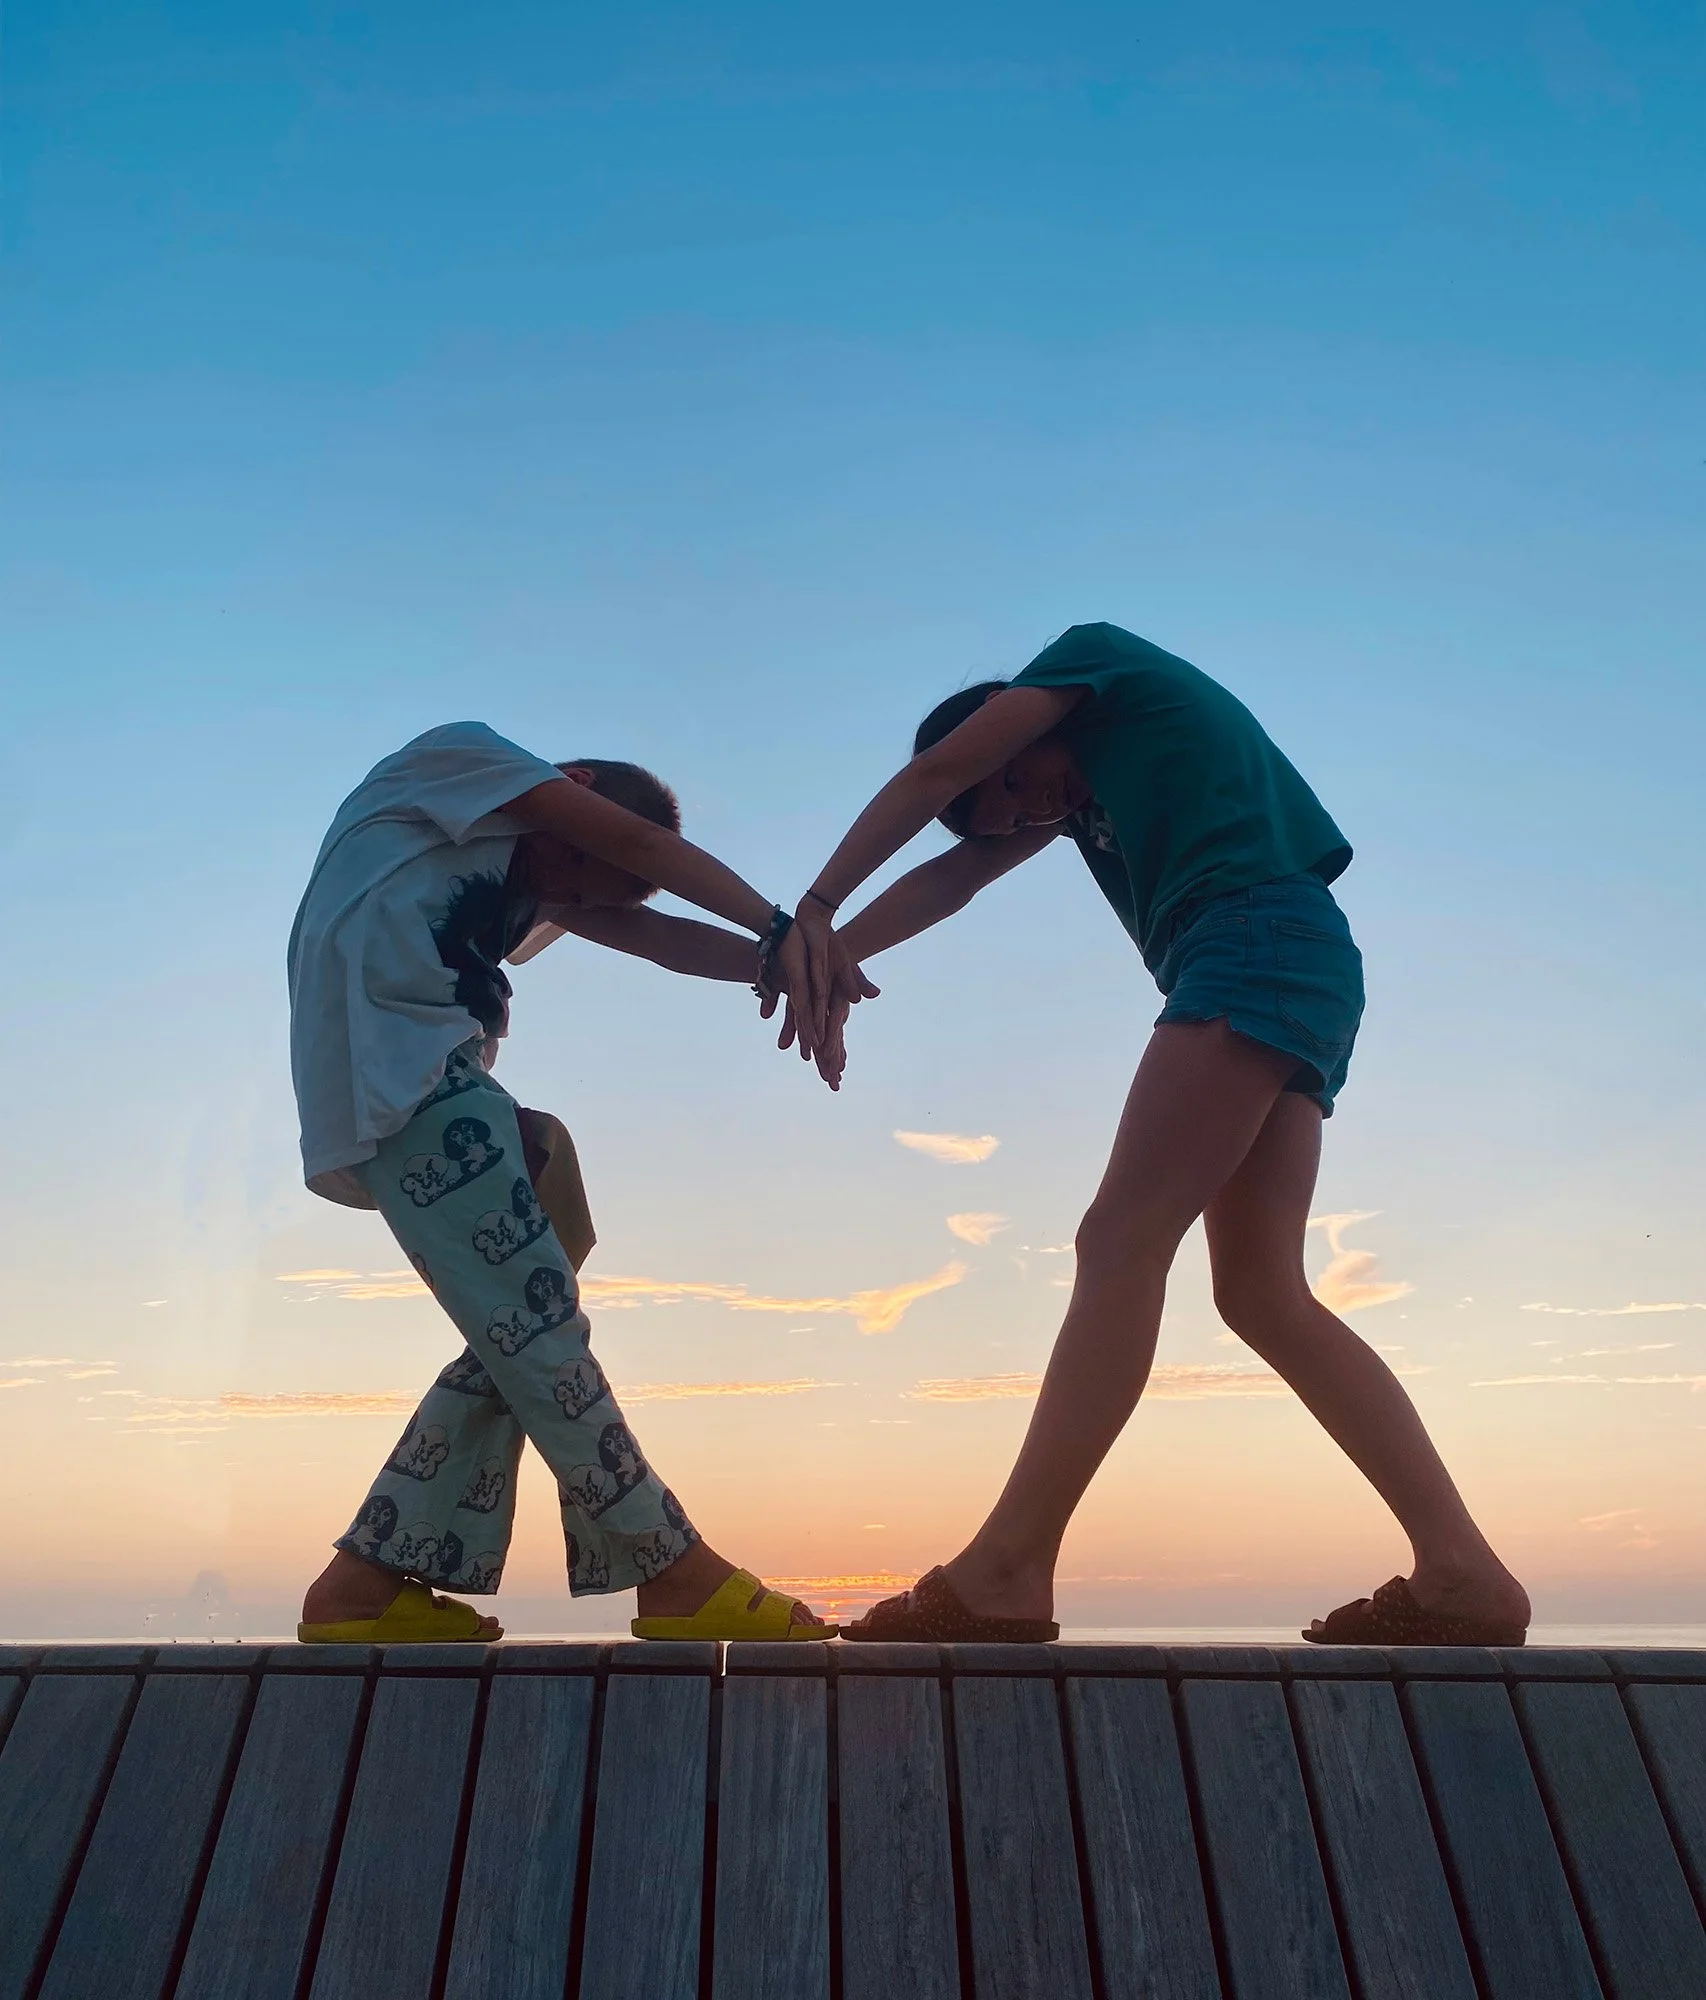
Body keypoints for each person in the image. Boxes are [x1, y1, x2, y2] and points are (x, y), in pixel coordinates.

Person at [790, 622, 1530, 1647]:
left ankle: (1006, 1562)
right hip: (1286, 957)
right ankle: (1461, 1572)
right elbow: (954, 874)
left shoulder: (1093, 662)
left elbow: (941, 770)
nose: (1011, 812)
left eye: (1006, 785)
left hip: (1250, 941)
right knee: (1260, 1290)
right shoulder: (1085, 794)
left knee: (1118, 1240)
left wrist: (817, 904)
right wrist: (816, 957)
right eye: (992, 815)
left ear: (1021, 719)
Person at [291, 720, 833, 1643]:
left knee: (536, 1304)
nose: (569, 895)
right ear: (573, 785)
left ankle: (366, 1580)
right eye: (580, 867)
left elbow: (656, 934)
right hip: (402, 1082)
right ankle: (671, 1568)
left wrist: (789, 964)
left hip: (456, 1089)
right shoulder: (456, 764)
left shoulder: (540, 867)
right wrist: (779, 922)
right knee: (538, 1328)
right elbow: (637, 845)